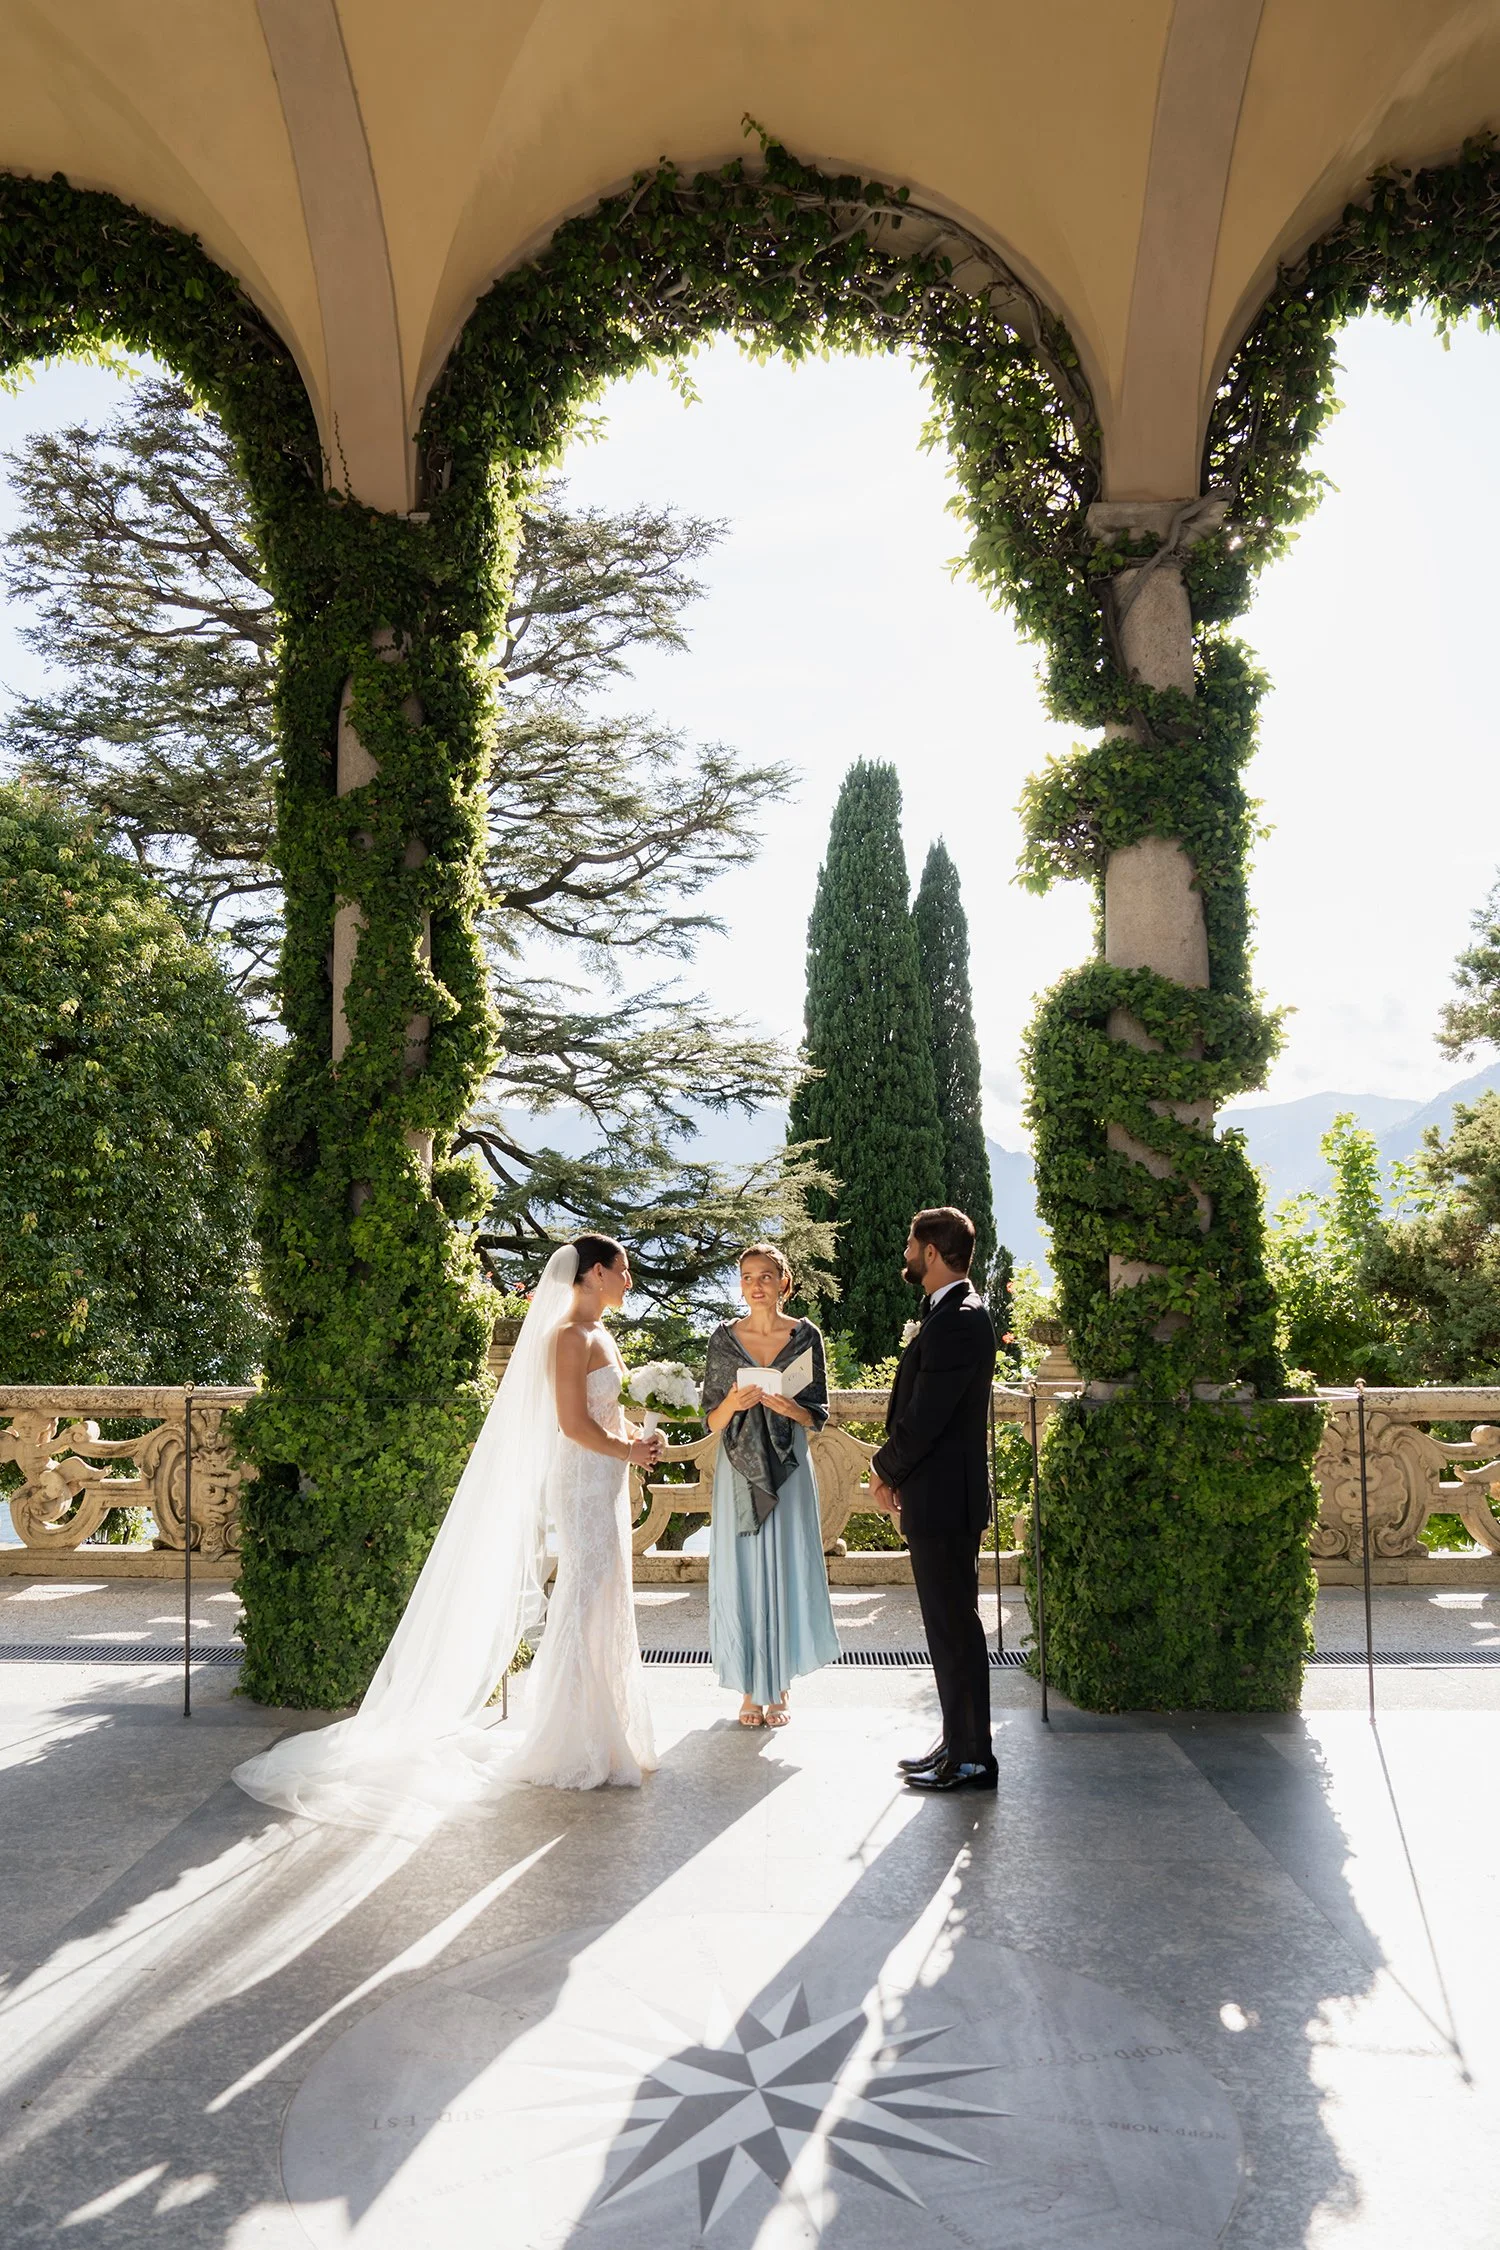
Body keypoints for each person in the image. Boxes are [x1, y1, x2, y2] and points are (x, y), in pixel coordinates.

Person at [232, 1235, 661, 1833]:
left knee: (606, 1595)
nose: (629, 1280)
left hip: (609, 1480)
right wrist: (627, 1447)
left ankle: (607, 1726)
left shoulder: (602, 1335)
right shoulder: (566, 1337)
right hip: (585, 1480)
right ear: (592, 1274)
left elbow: (606, 1413)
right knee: (585, 1597)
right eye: (622, 1269)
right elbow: (571, 1423)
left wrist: (642, 1438)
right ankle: (572, 1740)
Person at [869, 1207, 999, 1793]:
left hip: (946, 1499)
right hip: (939, 1495)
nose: (905, 1252)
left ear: (933, 1252)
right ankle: (957, 1743)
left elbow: (926, 1419)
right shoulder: (947, 1313)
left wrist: (883, 1467)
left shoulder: (961, 1320)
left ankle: (973, 1759)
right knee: (948, 1628)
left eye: (911, 1243)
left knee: (955, 1629)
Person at [701, 1243, 840, 1727]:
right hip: (739, 1469)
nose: (755, 1285)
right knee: (741, 1572)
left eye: (765, 1276)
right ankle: (747, 1689)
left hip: (790, 1466)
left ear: (784, 1280)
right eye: (746, 1277)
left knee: (785, 1567)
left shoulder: (806, 1336)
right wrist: (737, 1404)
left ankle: (778, 1684)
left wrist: (788, 1409)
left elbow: (817, 1413)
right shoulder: (722, 1340)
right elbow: (712, 1421)